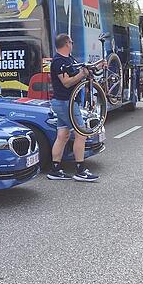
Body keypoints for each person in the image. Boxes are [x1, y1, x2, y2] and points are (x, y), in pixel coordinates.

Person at [46, 33, 99, 182]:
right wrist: (81, 75)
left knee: (63, 135)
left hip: (66, 102)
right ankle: (80, 170)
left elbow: (82, 71)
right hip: (65, 103)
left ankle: (55, 169)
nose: (73, 44)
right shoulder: (58, 61)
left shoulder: (70, 59)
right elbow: (67, 82)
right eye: (71, 41)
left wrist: (95, 68)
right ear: (67, 43)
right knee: (81, 134)